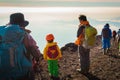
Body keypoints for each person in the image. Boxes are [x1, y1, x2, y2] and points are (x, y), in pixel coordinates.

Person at [0, 13, 42, 80]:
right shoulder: (25, 35)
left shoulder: (1, 34)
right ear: (22, 24)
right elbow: (36, 53)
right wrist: (37, 56)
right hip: (23, 73)